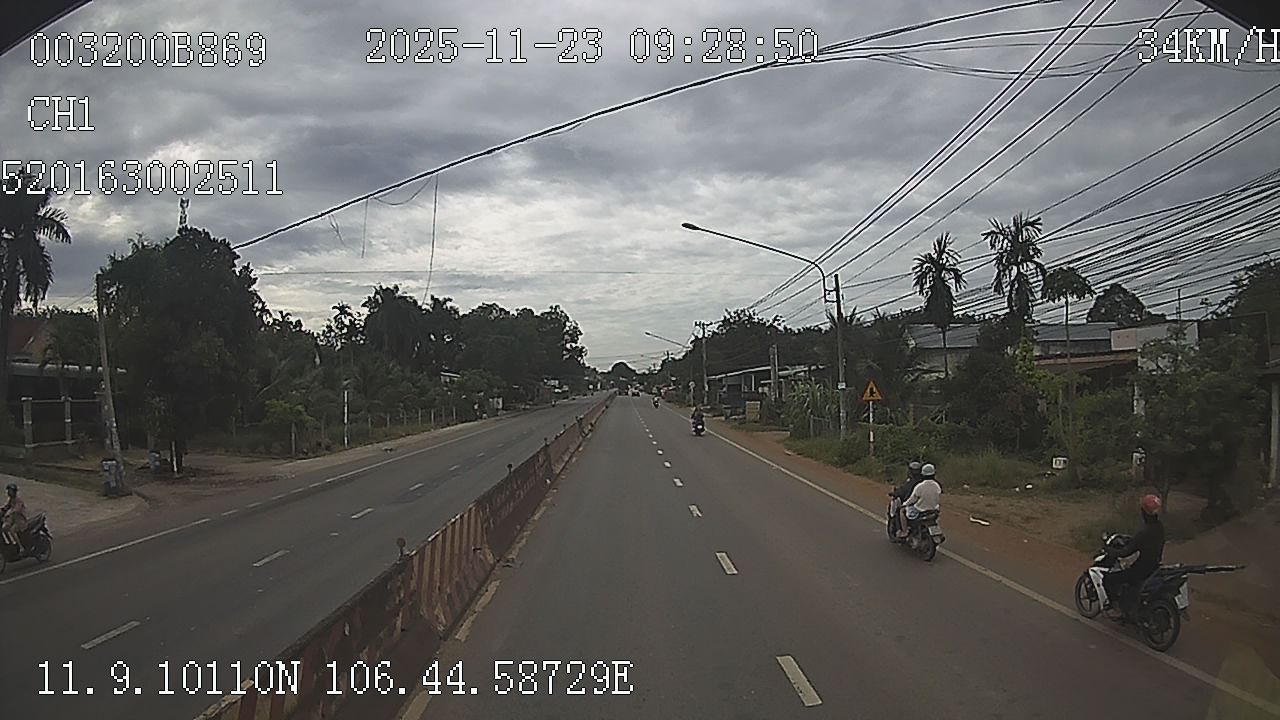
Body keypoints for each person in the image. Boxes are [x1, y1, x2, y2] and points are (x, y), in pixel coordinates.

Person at [1102, 494, 1165, 618]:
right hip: (1155, 566)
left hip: (1140, 570)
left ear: (1144, 512)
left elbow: (1126, 552)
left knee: (1109, 579)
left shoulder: (1144, 531)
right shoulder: (1160, 528)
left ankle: (1117, 610)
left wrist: (1111, 551)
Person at [898, 463, 941, 539]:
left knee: (902, 511)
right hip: (934, 509)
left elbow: (913, 499)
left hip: (920, 510)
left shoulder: (920, 486)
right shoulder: (937, 485)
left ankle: (905, 531)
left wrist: (904, 504)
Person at [889, 462, 924, 535]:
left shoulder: (910, 482)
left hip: (913, 504)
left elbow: (902, 491)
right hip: (923, 504)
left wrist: (895, 493)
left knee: (900, 510)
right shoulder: (923, 482)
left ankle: (903, 531)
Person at [2, 482, 28, 549]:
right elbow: (6, 506)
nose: (9, 492)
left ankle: (21, 547)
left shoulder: (18, 500)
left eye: (11, 491)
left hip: (20, 520)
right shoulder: (11, 499)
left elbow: (16, 509)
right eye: (8, 491)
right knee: (4, 528)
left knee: (12, 531)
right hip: (13, 519)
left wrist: (8, 513)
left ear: (14, 492)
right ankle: (9, 543)